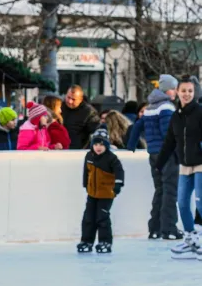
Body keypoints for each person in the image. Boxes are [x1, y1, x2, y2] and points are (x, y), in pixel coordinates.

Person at [157, 76, 202, 260]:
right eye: (183, 91)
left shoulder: (200, 112)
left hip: (200, 163)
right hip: (185, 165)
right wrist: (159, 163)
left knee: (200, 202)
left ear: (194, 93)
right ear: (177, 92)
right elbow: (169, 141)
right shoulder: (176, 116)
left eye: (190, 91)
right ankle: (192, 239)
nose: (187, 94)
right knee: (182, 203)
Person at [127, 88, 179, 239]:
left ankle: (155, 228)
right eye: (173, 88)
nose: (175, 92)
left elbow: (137, 126)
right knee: (170, 191)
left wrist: (131, 145)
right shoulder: (166, 107)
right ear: (166, 90)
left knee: (160, 190)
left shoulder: (150, 108)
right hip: (166, 154)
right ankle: (169, 228)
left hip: (153, 154)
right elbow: (167, 131)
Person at [77, 128, 124, 254]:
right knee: (88, 218)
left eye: (102, 144)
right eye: (96, 144)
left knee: (102, 218)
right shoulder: (89, 156)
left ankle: (105, 242)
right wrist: (85, 184)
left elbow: (119, 172)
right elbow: (86, 172)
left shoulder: (111, 158)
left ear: (107, 145)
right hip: (92, 193)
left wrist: (118, 185)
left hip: (106, 193)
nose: (98, 147)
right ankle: (86, 241)